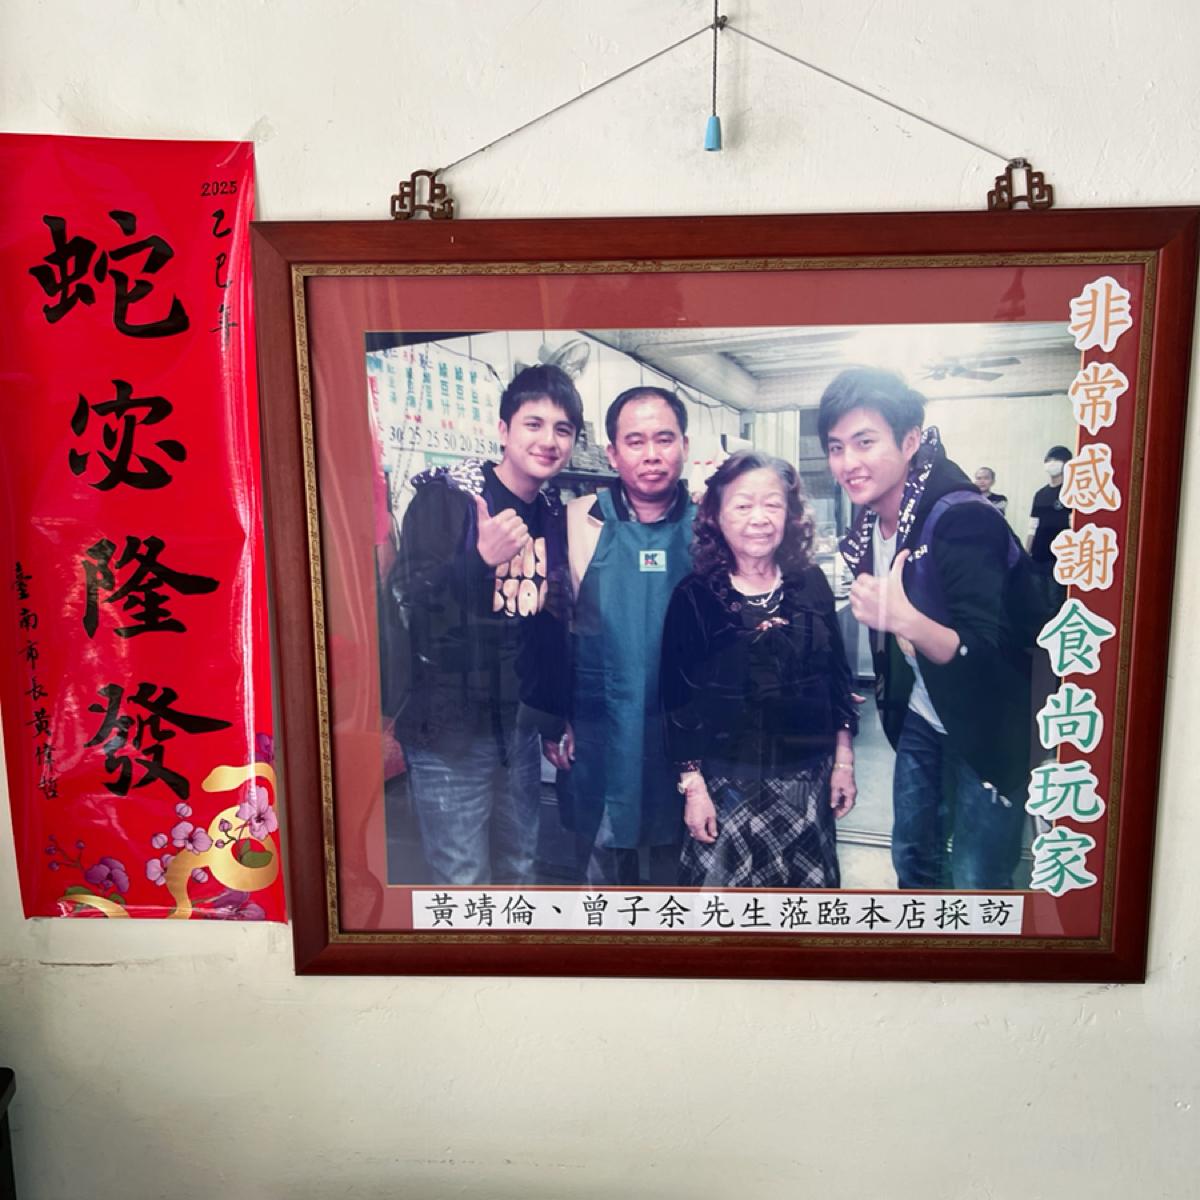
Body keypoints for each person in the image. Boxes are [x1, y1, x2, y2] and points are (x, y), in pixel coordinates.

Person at [818, 367, 1031, 890]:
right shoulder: (869, 524)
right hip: (923, 714)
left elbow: (991, 653)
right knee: (913, 859)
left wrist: (904, 620)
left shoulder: (963, 519)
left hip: (990, 727)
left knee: (978, 878)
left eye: (865, 442)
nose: (848, 463)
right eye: (836, 447)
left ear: (910, 440)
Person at [385, 363, 580, 886]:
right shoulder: (449, 498)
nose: (548, 440)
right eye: (533, 424)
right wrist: (478, 560)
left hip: (517, 730)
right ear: (503, 429)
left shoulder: (550, 512)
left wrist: (553, 717)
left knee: (520, 867)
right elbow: (409, 602)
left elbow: (546, 625)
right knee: (461, 877)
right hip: (447, 730)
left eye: (563, 429)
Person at [660, 452, 858, 889]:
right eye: (743, 505)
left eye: (772, 504)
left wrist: (843, 761)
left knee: (803, 915)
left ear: (790, 514)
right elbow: (677, 699)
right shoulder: (694, 596)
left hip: (807, 778)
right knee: (725, 917)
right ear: (716, 515)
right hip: (726, 784)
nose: (759, 518)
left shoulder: (810, 583)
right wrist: (693, 786)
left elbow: (837, 677)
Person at [548, 386, 696, 885]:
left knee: (684, 869)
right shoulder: (575, 521)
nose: (651, 454)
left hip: (685, 730)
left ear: (684, 445)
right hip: (600, 726)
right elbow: (552, 629)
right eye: (635, 441)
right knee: (605, 866)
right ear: (612, 452)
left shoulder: (712, 525)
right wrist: (556, 719)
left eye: (664, 439)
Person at [1026, 444, 1073, 574]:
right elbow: (1032, 526)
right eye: (1048, 460)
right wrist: (1027, 552)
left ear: (1067, 464)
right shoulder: (1040, 494)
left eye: (1056, 460)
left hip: (1063, 556)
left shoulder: (1071, 492)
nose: (1051, 463)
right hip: (1039, 555)